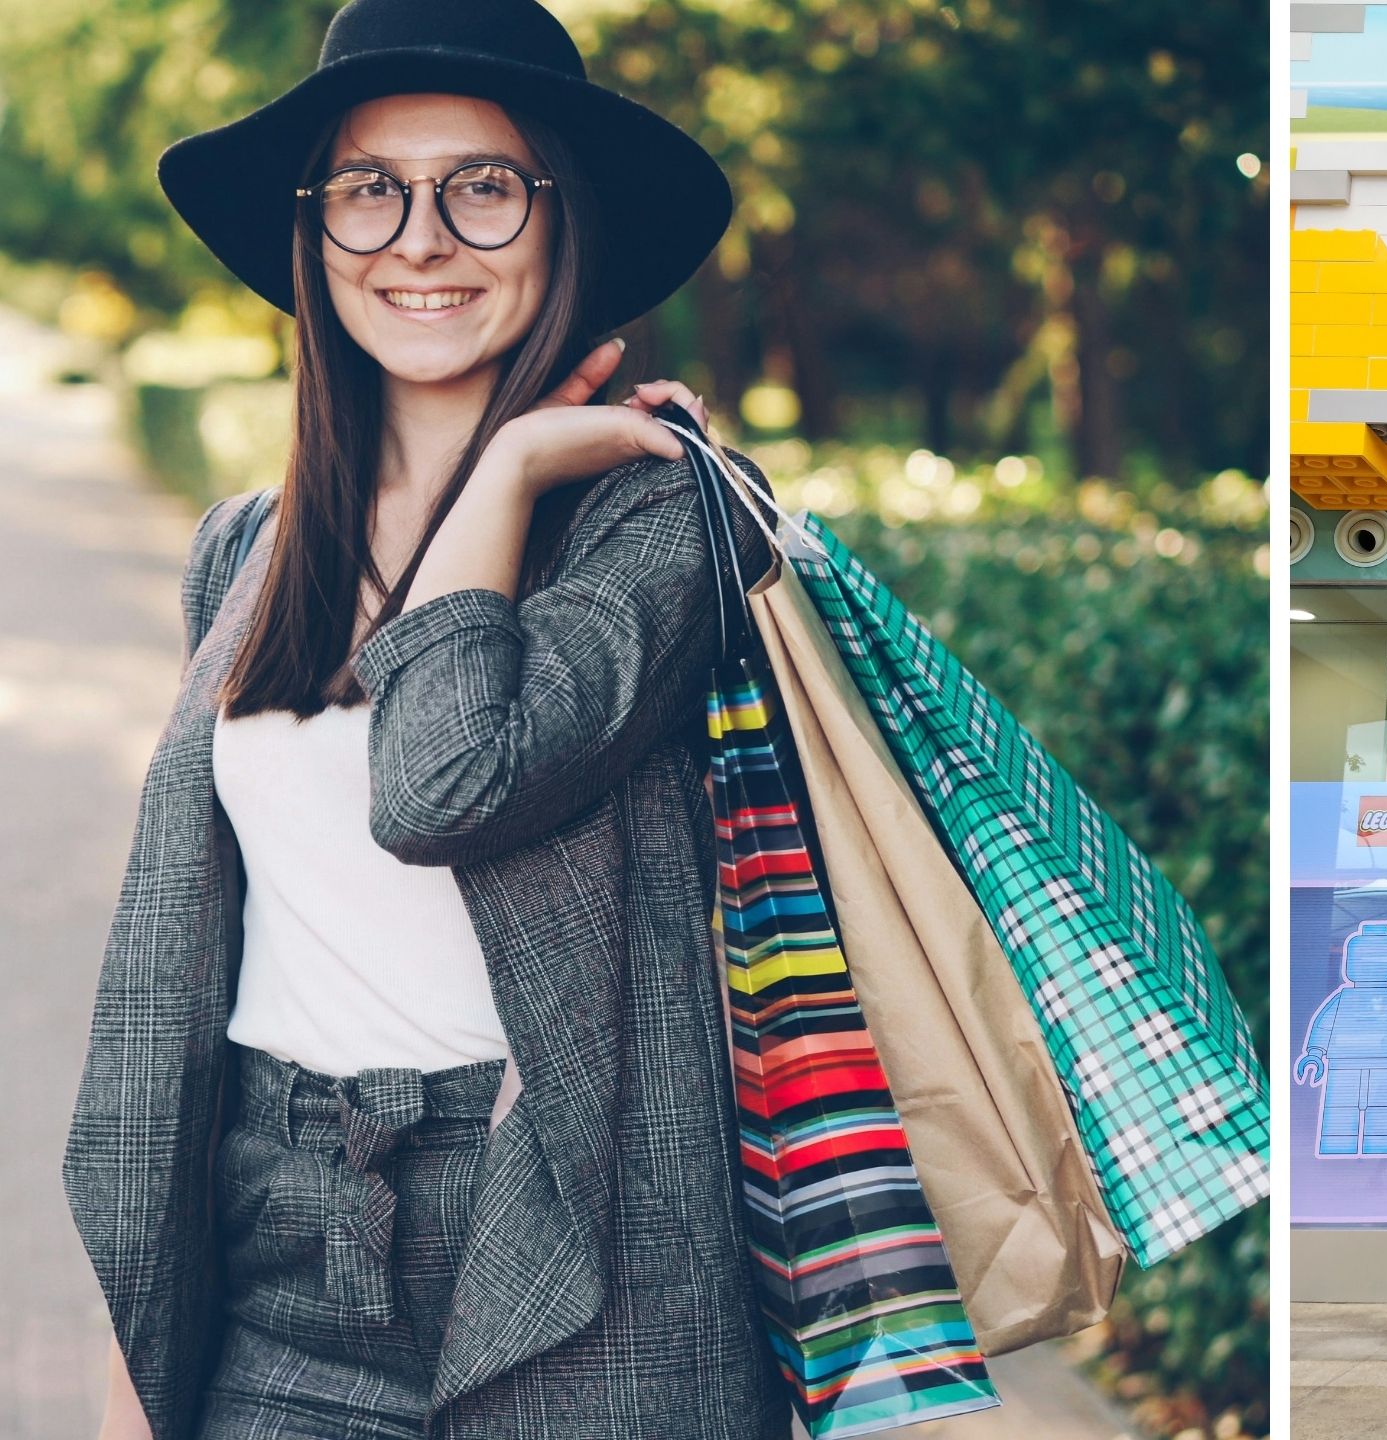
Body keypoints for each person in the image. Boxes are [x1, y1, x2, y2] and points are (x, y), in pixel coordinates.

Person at [62, 2, 790, 1436]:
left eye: (483, 186)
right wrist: (137, 1359)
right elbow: (199, 967)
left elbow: (443, 783)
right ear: (316, 228)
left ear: (562, 221)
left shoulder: (654, 524)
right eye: (368, 189)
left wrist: (507, 472)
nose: (420, 239)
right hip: (283, 1241)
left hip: (580, 1247)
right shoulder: (248, 549)